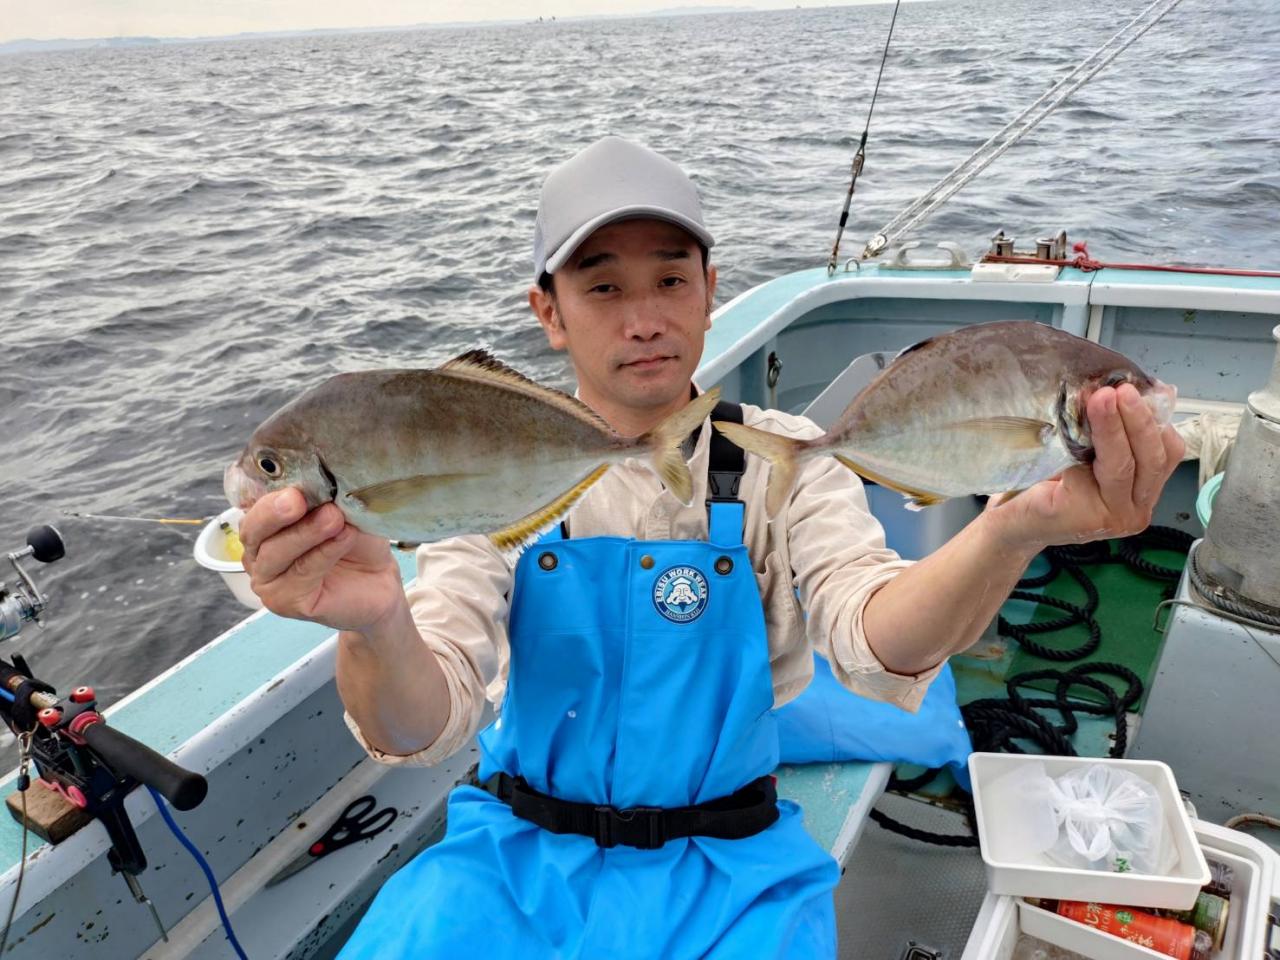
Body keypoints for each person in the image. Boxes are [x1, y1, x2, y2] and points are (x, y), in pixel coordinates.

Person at [238, 136, 1184, 958]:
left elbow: (874, 635)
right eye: (602, 287)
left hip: (733, 869)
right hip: (515, 859)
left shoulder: (783, 459)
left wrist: (1012, 527)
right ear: (549, 313)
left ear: (709, 292)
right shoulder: (493, 472)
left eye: (670, 280)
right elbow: (421, 725)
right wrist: (375, 623)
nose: (644, 318)